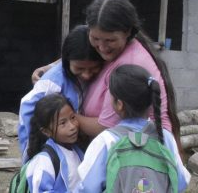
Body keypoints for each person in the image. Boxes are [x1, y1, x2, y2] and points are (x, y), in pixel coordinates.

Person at [31, 0, 181, 147]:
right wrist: (51, 68)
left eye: (110, 40)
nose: (101, 47)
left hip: (141, 149)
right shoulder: (114, 47)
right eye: (95, 39)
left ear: (128, 32)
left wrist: (64, 118)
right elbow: (79, 49)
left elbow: (105, 127)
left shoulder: (129, 66)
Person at [75, 64, 190, 192]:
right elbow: (181, 183)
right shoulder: (165, 137)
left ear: (119, 104)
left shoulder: (106, 140)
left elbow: (87, 188)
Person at [18, 25, 104, 159]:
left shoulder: (86, 76)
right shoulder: (53, 81)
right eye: (79, 68)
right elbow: (27, 106)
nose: (86, 75)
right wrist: (30, 152)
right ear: (67, 60)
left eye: (93, 69)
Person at [25, 93, 84, 192]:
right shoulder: (44, 161)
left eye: (73, 117)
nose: (72, 126)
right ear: (46, 131)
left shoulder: (77, 152)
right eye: (63, 123)